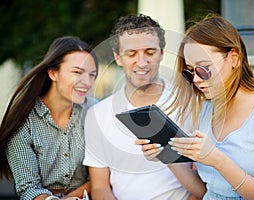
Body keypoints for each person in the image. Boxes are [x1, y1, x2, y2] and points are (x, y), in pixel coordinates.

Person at [136, 14, 254, 199]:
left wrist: (217, 159)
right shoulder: (204, 109)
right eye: (190, 71)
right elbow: (205, 191)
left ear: (234, 58)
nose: (195, 79)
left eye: (204, 68)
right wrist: (166, 156)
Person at [83, 14, 193, 200]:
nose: (141, 62)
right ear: (118, 58)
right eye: (131, 54)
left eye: (150, 52)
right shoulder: (98, 114)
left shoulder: (190, 104)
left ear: (161, 54)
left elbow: (204, 183)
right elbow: (100, 186)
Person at [0, 36, 98, 200]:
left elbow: (102, 176)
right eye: (77, 72)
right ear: (53, 73)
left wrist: (73, 197)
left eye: (92, 75)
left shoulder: (95, 111)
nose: (87, 82)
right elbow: (28, 187)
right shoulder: (23, 120)